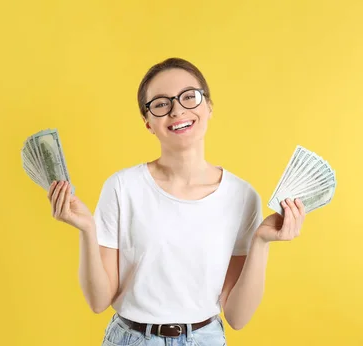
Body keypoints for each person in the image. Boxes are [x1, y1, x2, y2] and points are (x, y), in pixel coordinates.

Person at [47, 57, 306, 346]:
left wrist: (261, 242)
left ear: (208, 107)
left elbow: (237, 317)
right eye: (160, 104)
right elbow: (98, 301)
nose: (177, 110)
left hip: (205, 339)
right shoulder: (122, 187)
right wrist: (87, 230)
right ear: (148, 123)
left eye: (189, 97)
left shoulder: (242, 197)